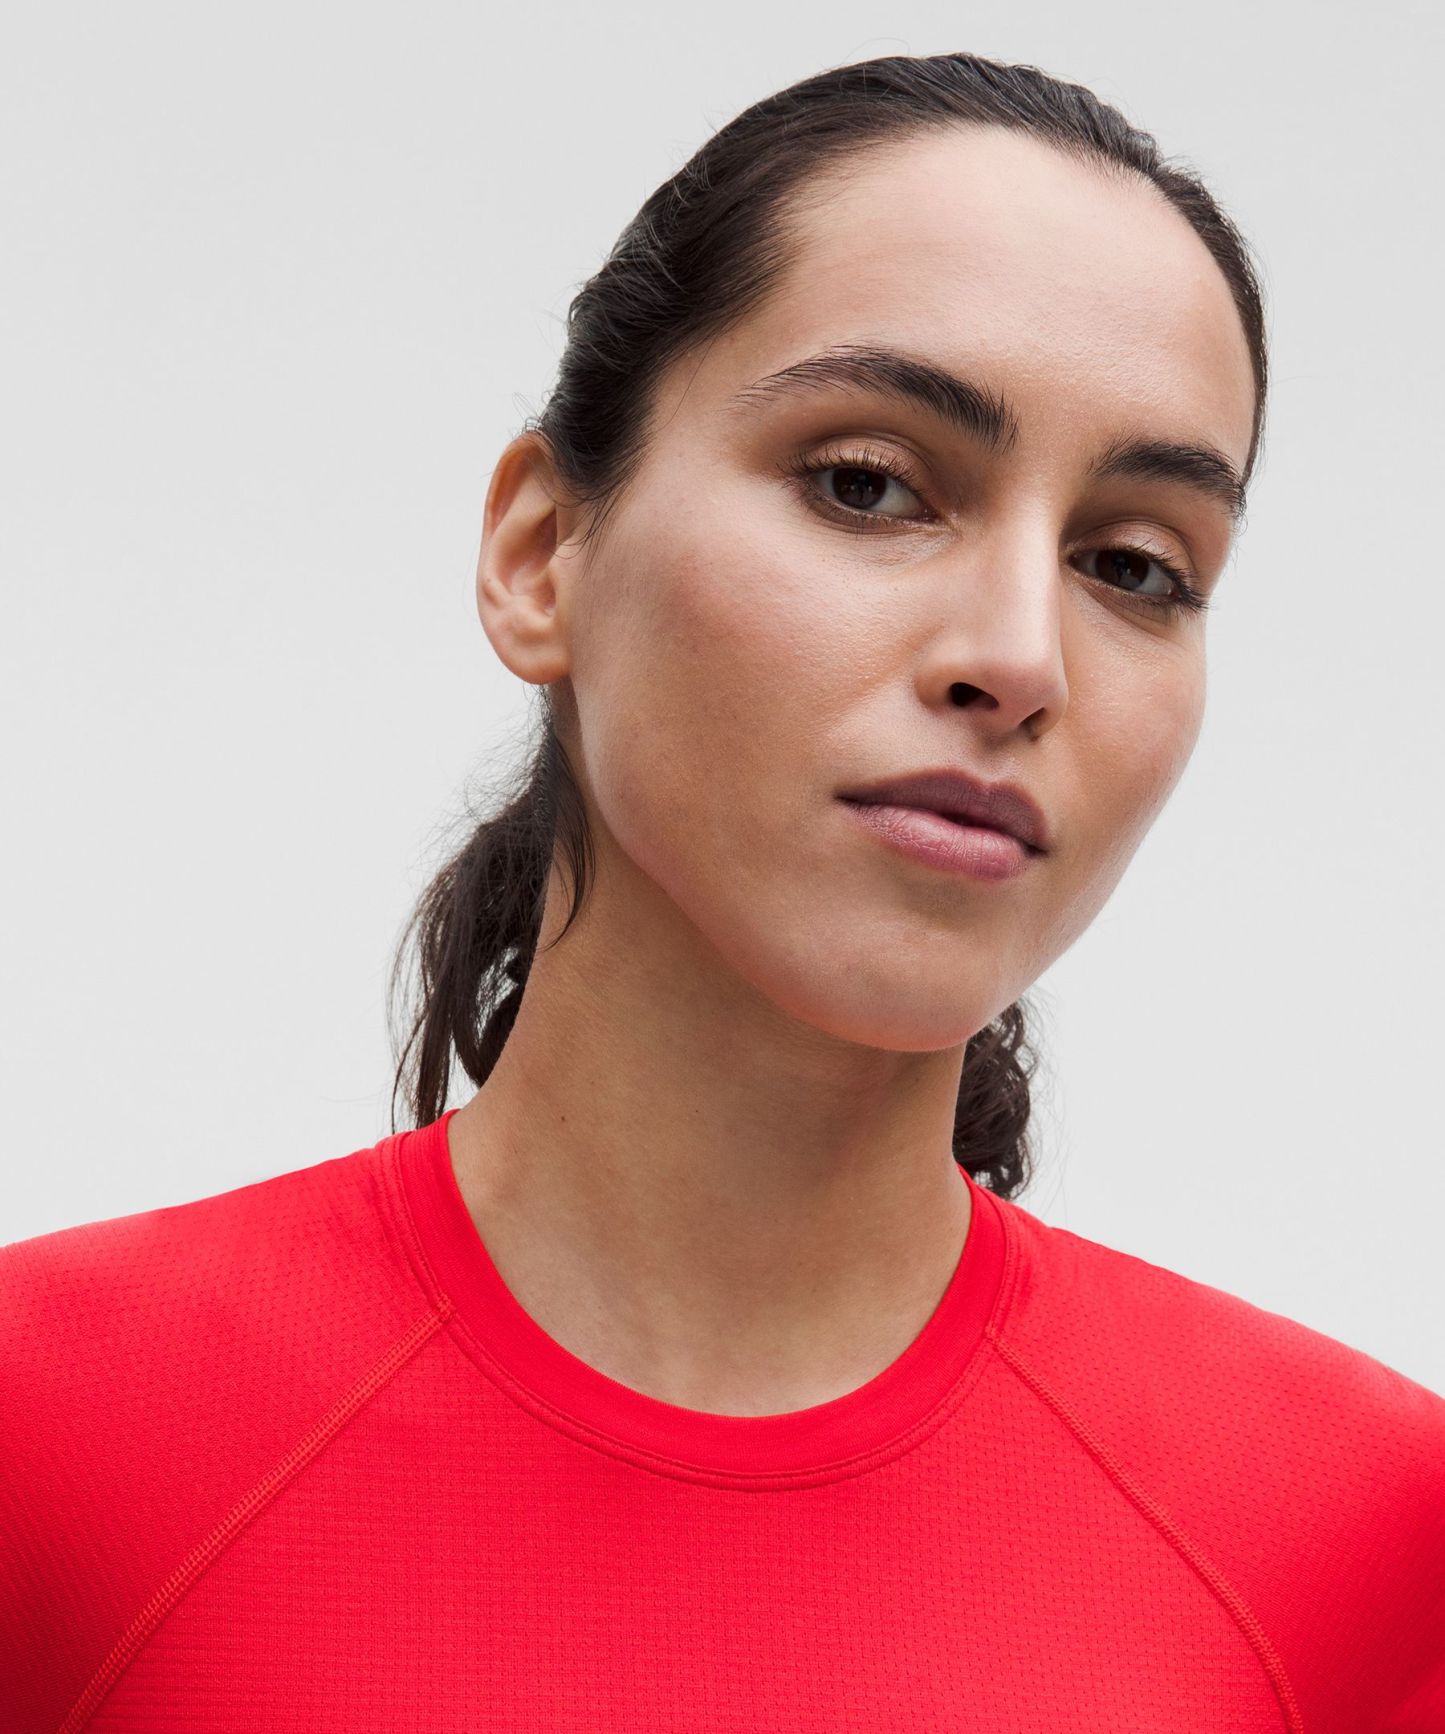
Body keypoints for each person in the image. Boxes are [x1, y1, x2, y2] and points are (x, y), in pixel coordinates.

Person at [3, 49, 1442, 1733]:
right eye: (866, 483)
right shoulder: (51, 1445)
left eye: (1133, 565)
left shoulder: (1357, 1540)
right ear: (543, 552)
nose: (1016, 657)